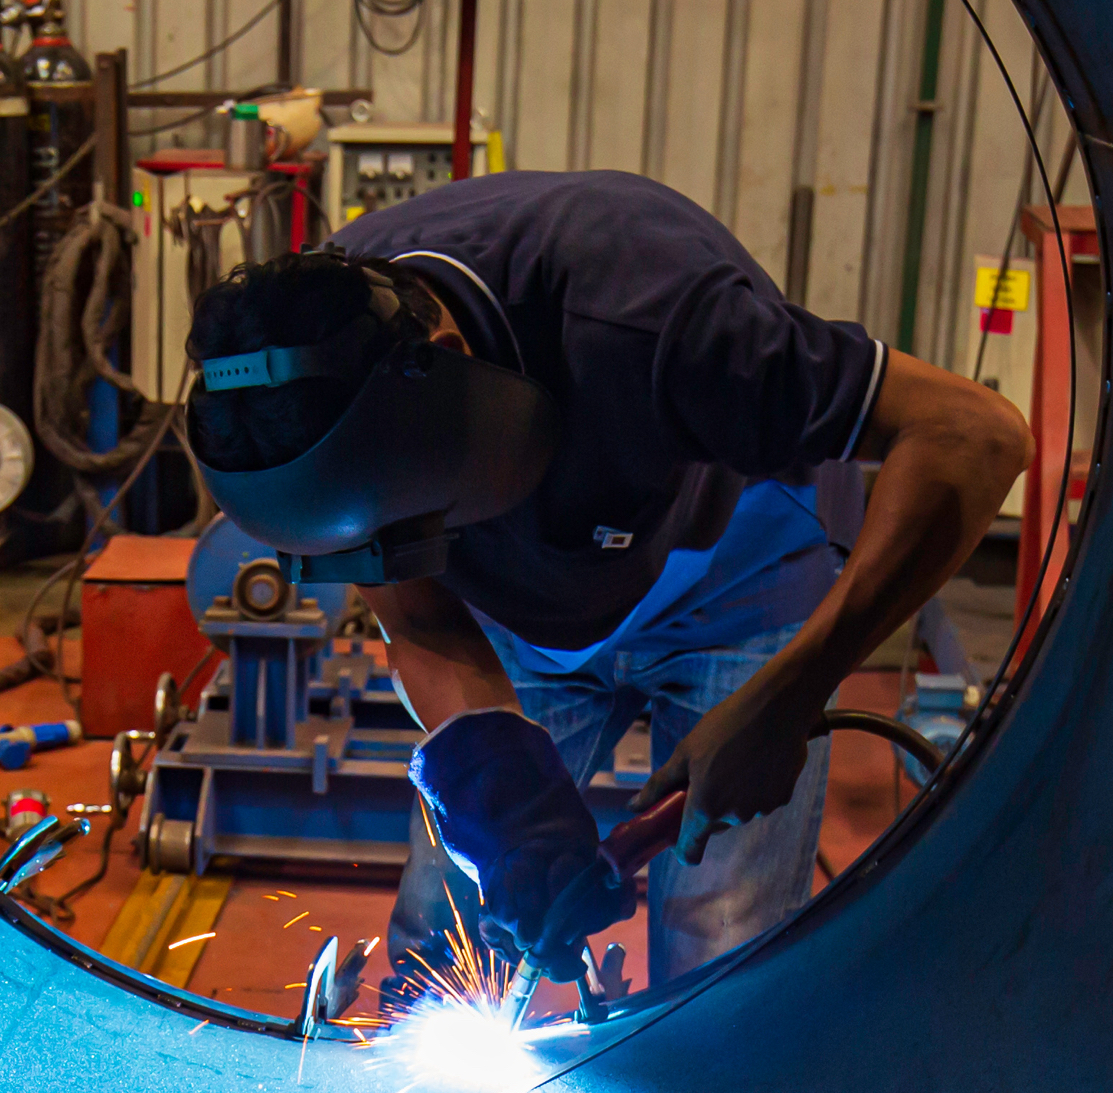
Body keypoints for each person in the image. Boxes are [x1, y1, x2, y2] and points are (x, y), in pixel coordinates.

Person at [184, 169, 1030, 995]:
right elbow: (425, 624)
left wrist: (792, 695)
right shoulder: (306, 358)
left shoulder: (654, 316)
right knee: (455, 928)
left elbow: (975, 433)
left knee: (720, 954)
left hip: (734, 597)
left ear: (447, 367)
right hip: (525, 620)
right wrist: (508, 811)